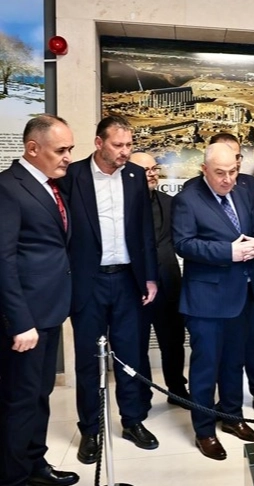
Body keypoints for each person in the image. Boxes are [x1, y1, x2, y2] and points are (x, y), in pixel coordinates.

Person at [61, 115, 159, 464]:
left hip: (128, 281)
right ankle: (90, 429)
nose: (125, 152)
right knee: (89, 360)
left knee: (130, 355)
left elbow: (145, 231)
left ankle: (132, 421)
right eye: (118, 145)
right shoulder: (72, 176)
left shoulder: (134, 176)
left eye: (129, 145)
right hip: (88, 282)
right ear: (99, 143)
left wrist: (149, 277)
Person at [172, 143, 254, 460]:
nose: (228, 179)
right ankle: (204, 431)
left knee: (233, 362)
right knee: (205, 368)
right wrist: (229, 252)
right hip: (206, 300)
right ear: (204, 170)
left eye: (233, 172)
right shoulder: (188, 199)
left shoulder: (240, 192)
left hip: (240, 294)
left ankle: (231, 416)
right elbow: (183, 244)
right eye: (220, 173)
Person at [0, 115, 79, 486]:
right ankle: (13, 477)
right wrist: (20, 322)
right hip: (26, 321)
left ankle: (35, 466)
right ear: (33, 148)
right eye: (60, 150)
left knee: (40, 395)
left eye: (70, 149)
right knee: (20, 400)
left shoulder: (50, 186)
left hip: (49, 312)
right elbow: (3, 260)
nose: (67, 157)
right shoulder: (8, 188)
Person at [128, 152, 190, 409]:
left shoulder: (170, 202)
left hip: (169, 284)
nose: (153, 174)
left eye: (154, 169)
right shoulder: (123, 206)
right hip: (136, 288)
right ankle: (142, 397)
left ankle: (177, 390)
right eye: (146, 170)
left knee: (174, 342)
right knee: (137, 345)